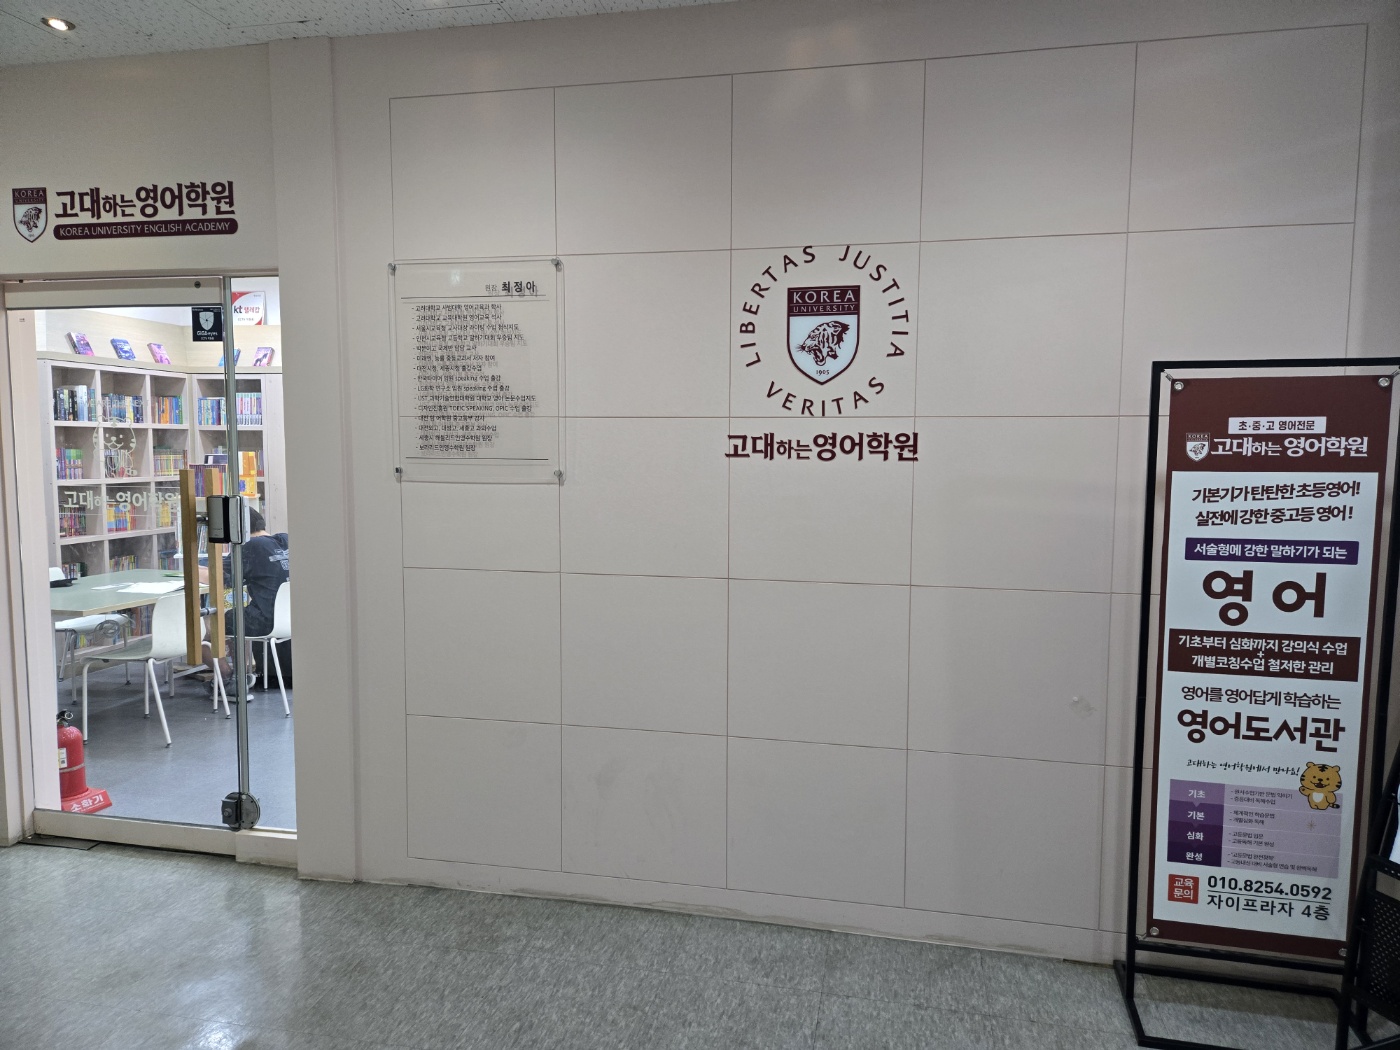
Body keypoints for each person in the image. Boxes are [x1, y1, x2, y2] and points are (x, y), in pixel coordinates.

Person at [199, 507, 289, 692]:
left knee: (204, 628)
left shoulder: (250, 547)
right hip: (288, 620)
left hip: (264, 621)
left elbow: (216, 578)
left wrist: (191, 568)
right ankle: (244, 673)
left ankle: (228, 676)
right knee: (236, 615)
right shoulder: (285, 540)